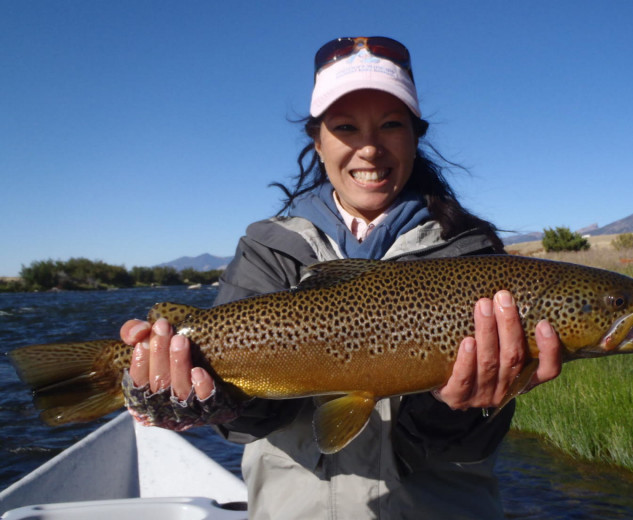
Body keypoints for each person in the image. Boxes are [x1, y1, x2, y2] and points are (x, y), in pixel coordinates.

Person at [120, 36, 562, 519]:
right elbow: (248, 426)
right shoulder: (267, 248)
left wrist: (453, 407)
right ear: (318, 140)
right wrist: (209, 401)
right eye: (346, 127)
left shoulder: (476, 259)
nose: (369, 148)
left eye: (391, 125)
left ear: (416, 135)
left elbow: (468, 443)